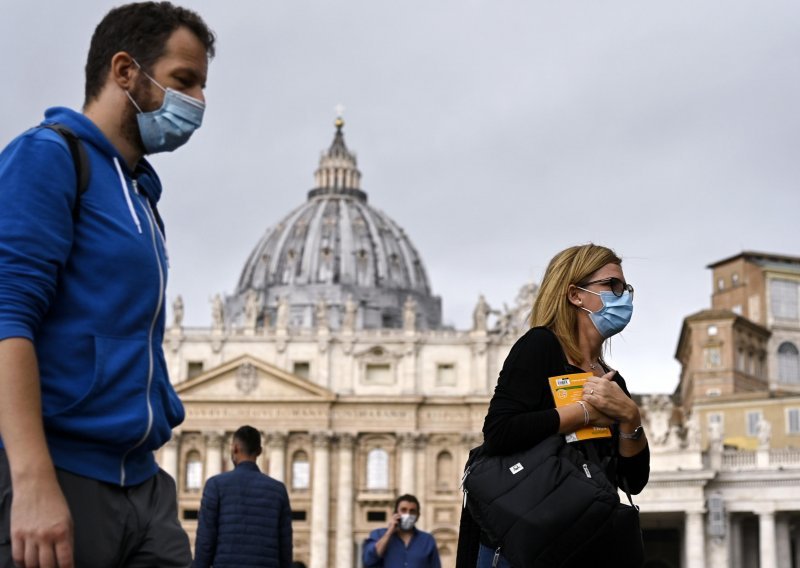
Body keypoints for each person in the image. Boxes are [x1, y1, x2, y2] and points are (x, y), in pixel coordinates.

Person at [0, 3, 215, 567]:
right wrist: (32, 481)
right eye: (183, 82)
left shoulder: (142, 193)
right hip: (64, 474)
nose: (198, 103)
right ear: (125, 71)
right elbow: (7, 317)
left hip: (144, 482)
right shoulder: (49, 156)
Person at [457, 244, 650, 568]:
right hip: (532, 537)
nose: (625, 296)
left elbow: (632, 481)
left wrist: (630, 417)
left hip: (584, 538)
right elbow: (500, 432)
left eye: (626, 288)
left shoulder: (612, 381)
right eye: (612, 286)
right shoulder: (540, 346)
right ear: (575, 294)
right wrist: (585, 412)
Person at [194, 426, 293, 568]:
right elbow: (285, 549)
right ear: (259, 451)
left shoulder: (215, 485)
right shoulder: (278, 490)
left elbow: (205, 542)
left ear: (234, 448)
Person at [363, 494, 441, 568]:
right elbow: (369, 559)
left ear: (417, 516)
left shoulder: (427, 540)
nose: (408, 514)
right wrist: (390, 532)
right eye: (403, 510)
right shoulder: (378, 534)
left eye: (412, 511)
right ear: (396, 513)